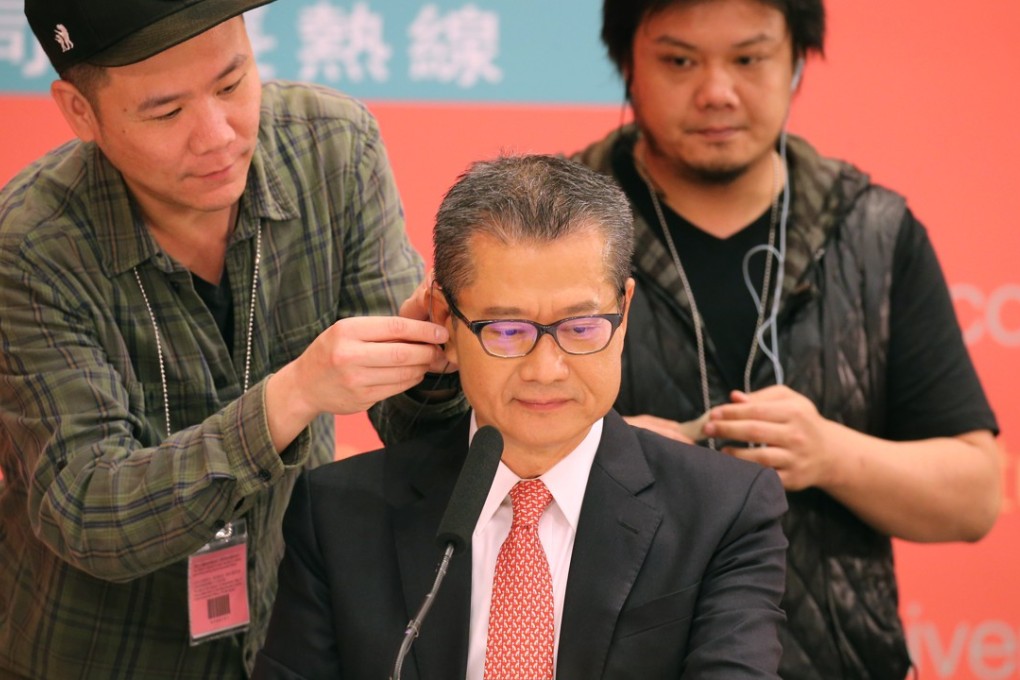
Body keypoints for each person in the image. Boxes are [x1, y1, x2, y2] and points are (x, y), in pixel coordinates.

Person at [0, 1, 465, 677]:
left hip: (287, 626)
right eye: (166, 112)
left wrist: (436, 364)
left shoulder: (332, 148)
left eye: (231, 83)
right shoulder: (29, 248)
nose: (217, 135)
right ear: (79, 111)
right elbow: (90, 511)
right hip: (94, 650)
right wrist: (291, 396)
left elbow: (412, 424)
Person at [573, 0, 1003, 677]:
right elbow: (459, 471)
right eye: (679, 60)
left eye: (749, 58)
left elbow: (978, 496)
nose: (717, 91)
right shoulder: (551, 229)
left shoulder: (874, 232)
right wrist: (597, 463)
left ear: (798, 59)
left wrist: (829, 453)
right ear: (627, 62)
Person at [253, 154, 789, 679]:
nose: (546, 369)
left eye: (580, 328)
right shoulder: (340, 513)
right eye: (508, 332)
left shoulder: (725, 513)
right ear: (446, 318)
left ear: (623, 313)